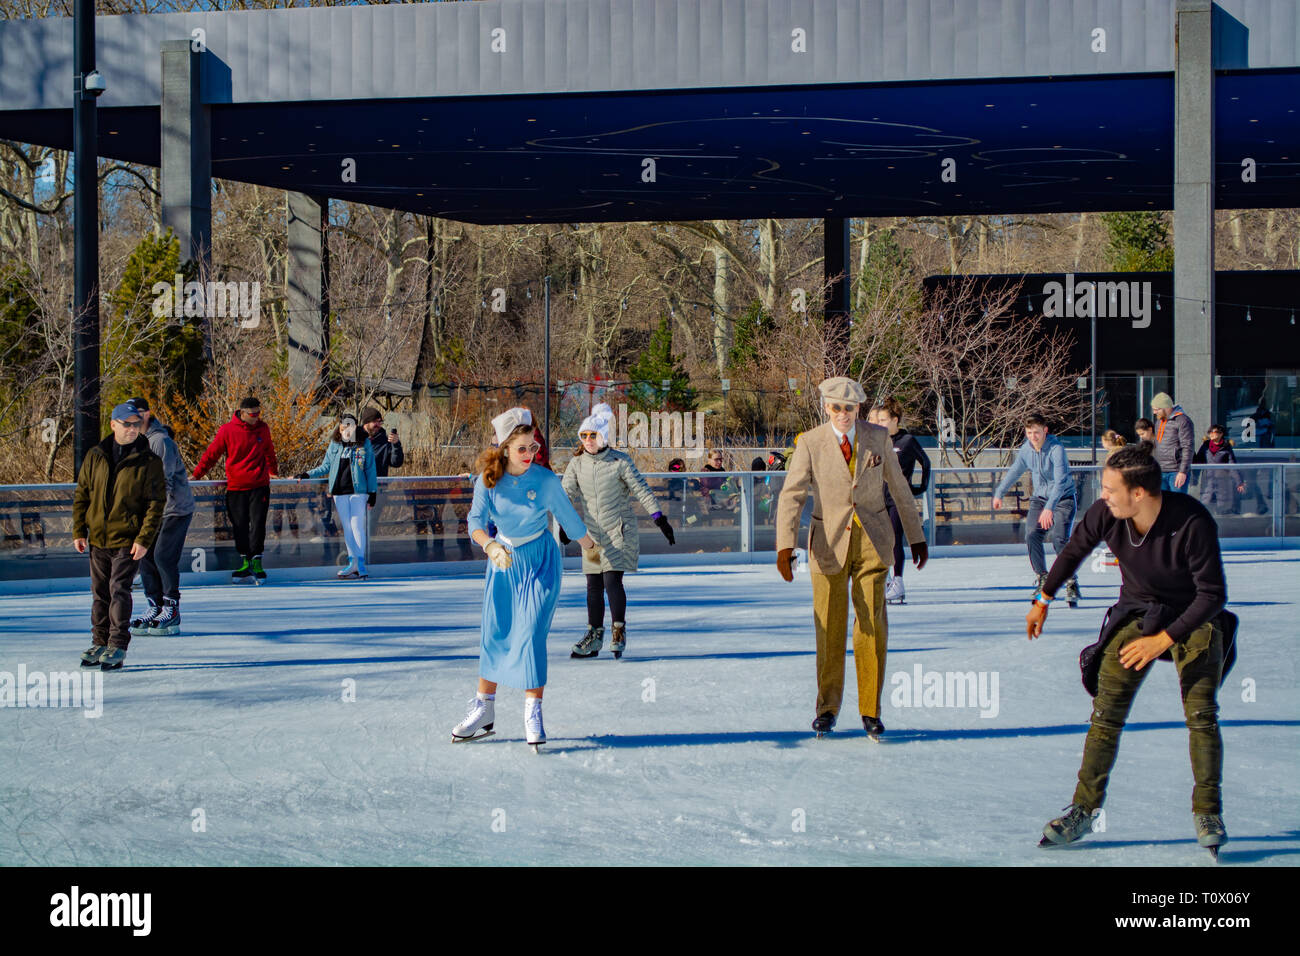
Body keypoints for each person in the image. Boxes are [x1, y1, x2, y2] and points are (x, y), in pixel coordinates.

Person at [1027, 442, 1236, 857]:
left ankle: (1208, 811)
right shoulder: (1107, 514)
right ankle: (1084, 810)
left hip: (1195, 618)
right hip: (1138, 613)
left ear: (1138, 492)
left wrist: (1164, 639)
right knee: (1106, 715)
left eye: (1109, 488)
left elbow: (1213, 595)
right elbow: (1073, 551)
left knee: (1201, 714)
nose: (1102, 495)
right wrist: (1044, 598)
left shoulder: (1192, 522)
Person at [775, 377, 928, 739]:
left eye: (850, 408)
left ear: (859, 408)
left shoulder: (877, 438)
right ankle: (827, 709)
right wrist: (785, 544)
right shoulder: (810, 443)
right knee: (828, 626)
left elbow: (900, 489)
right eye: (836, 408)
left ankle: (870, 710)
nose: (843, 414)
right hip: (827, 543)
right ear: (826, 407)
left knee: (871, 626)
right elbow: (792, 494)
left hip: (873, 541)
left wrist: (917, 536)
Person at [451, 408, 595, 749]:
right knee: (496, 632)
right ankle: (484, 709)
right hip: (503, 563)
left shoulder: (544, 480)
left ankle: (533, 709)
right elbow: (474, 521)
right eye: (522, 449)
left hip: (540, 561)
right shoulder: (488, 480)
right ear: (504, 449)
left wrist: (590, 546)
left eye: (533, 447)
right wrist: (489, 546)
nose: (530, 454)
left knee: (530, 633)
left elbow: (567, 516)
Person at [561, 403, 675, 660]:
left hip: (618, 531)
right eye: (584, 435)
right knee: (593, 585)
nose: (588, 440)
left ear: (603, 437)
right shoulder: (576, 464)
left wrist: (659, 519)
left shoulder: (620, 461)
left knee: (612, 580)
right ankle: (594, 635)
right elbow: (564, 495)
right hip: (590, 535)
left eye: (593, 435)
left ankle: (618, 631)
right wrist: (565, 525)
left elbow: (641, 490)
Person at [72, 403, 166, 671]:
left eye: (136, 424)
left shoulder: (149, 461)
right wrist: (79, 529)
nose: (132, 429)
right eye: (127, 424)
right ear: (113, 425)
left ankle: (117, 645)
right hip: (98, 538)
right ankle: (99, 641)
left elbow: (156, 503)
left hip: (128, 539)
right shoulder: (96, 455)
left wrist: (144, 539)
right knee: (100, 593)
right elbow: (83, 494)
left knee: (118, 589)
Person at [992, 413, 1080, 603]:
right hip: (1039, 499)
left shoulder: (1056, 449)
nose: (1033, 436)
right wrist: (999, 493)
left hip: (1063, 498)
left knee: (1059, 539)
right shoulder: (1026, 450)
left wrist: (1050, 507)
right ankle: (1043, 577)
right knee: (1031, 534)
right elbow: (1015, 471)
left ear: (1045, 431)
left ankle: (1071, 581)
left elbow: (1061, 482)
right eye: (1030, 432)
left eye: (1037, 432)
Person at [126, 397, 195, 637]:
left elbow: (162, 482)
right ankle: (154, 606)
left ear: (147, 414)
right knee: (144, 556)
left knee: (163, 556)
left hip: (175, 509)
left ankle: (171, 608)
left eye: (139, 413)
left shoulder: (160, 441)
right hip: (151, 512)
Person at [192, 396, 279, 583]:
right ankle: (244, 561)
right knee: (239, 525)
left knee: (258, 524)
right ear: (242, 413)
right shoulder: (227, 430)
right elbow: (211, 454)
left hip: (259, 485)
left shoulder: (263, 428)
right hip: (236, 487)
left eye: (258, 413)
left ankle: (257, 561)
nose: (256, 417)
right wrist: (196, 475)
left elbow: (269, 451)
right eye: (252, 414)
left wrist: (273, 471)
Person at [297, 412, 378, 579]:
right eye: (342, 428)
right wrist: (306, 474)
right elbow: (325, 466)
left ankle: (360, 563)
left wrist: (372, 493)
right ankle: (351, 562)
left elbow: (370, 469)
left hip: (358, 491)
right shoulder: (335, 444)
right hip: (339, 491)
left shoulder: (364, 443)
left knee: (356, 526)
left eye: (348, 428)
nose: (345, 432)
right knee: (347, 527)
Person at [867, 397, 932, 606]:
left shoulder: (907, 441)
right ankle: (885, 580)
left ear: (895, 420)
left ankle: (898, 581)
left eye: (884, 419)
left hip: (898, 499)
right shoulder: (879, 442)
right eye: (879, 420)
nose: (881, 423)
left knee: (894, 537)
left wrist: (919, 487)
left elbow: (926, 462)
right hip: (879, 497)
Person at [1192, 424, 1245, 517]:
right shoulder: (1205, 446)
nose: (1211, 434)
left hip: (1222, 482)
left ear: (1221, 434)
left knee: (1222, 506)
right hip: (1208, 481)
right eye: (1210, 432)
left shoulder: (1226, 447)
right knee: (1205, 504)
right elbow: (1198, 462)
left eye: (1214, 432)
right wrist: (1194, 478)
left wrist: (1239, 482)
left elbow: (1232, 465)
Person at [1150, 392, 1194, 493]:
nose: (1154, 412)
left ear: (1165, 407)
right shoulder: (1159, 422)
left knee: (1177, 505)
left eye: (1156, 409)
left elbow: (1187, 447)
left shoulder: (1182, 421)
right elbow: (1157, 446)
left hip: (1176, 471)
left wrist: (1183, 471)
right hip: (1160, 470)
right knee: (1163, 504)